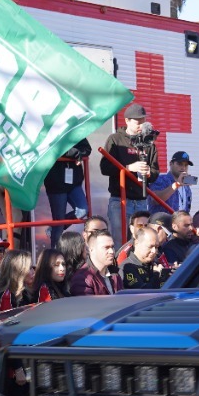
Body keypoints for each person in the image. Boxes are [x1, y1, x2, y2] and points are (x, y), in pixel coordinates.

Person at [99, 103, 160, 245]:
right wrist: (127, 168)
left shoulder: (149, 142)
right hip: (119, 199)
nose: (141, 124)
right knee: (119, 241)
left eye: (143, 121)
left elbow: (156, 172)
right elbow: (104, 168)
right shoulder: (115, 139)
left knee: (140, 241)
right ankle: (119, 267)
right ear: (126, 121)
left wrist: (149, 173)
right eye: (137, 121)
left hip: (141, 201)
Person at [45, 139, 91, 247]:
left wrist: (78, 153)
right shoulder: (50, 130)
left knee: (83, 210)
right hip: (56, 184)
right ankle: (54, 256)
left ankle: (54, 227)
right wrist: (75, 153)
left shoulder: (76, 129)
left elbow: (87, 149)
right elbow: (52, 149)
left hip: (74, 182)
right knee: (59, 223)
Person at [69, 231, 121, 297]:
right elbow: (88, 306)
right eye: (106, 247)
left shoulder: (114, 272)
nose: (111, 251)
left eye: (112, 247)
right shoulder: (82, 279)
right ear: (91, 249)